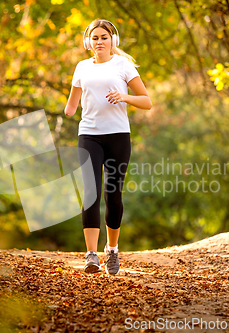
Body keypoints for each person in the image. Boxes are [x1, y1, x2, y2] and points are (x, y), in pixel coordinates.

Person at [64, 19, 152, 275]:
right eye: (95, 38)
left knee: (113, 195)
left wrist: (124, 96)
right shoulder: (81, 67)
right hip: (89, 135)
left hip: (118, 137)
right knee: (90, 193)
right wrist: (68, 111)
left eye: (104, 37)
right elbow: (72, 104)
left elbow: (147, 102)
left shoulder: (123, 66)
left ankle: (111, 250)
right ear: (87, 42)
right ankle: (91, 255)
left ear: (113, 40)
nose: (99, 42)